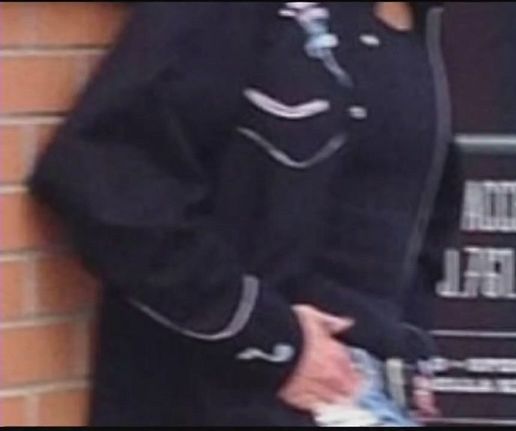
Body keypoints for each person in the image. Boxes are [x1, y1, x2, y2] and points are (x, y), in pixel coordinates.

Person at [28, 1, 462, 426]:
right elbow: (103, 178)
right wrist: (272, 337)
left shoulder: (421, 26)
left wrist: (411, 344)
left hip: (368, 398)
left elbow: (420, 221)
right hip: (228, 393)